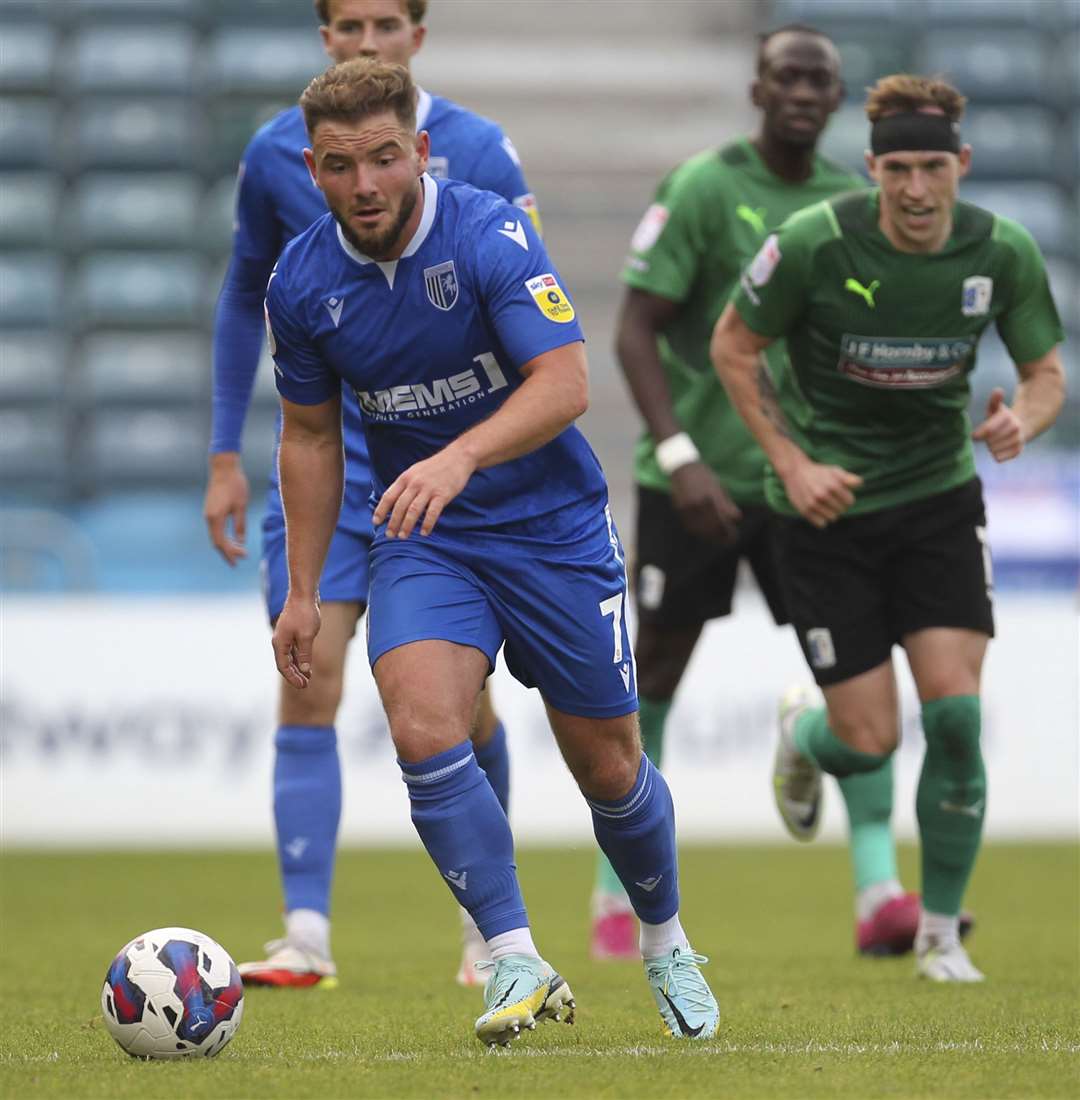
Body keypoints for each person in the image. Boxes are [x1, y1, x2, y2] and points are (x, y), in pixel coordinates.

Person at [267, 56, 721, 1045]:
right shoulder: (300, 281)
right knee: (424, 722)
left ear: (419, 151)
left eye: (385, 158)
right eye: (342, 166)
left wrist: (460, 454)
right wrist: (302, 590)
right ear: (314, 170)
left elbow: (564, 381)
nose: (367, 184)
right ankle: (513, 953)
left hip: (553, 528)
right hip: (430, 540)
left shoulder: (489, 232)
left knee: (608, 765)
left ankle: (664, 935)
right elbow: (307, 436)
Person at [202, 0, 541, 990]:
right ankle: (303, 932)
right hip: (320, 465)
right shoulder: (278, 152)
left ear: (416, 39)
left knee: (462, 705)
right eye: (348, 24)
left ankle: (490, 930)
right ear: (325, 37)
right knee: (306, 667)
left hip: (430, 469)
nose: (366, 40)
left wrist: (489, 462)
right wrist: (226, 450)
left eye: (385, 23)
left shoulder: (478, 148)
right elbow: (241, 293)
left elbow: (530, 307)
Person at [711, 73, 1065, 981]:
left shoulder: (1005, 251)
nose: (915, 189)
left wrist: (1022, 419)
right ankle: (806, 738)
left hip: (938, 504)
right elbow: (732, 345)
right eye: (898, 167)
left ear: (963, 165)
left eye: (933, 167)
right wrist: (790, 463)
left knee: (953, 718)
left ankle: (940, 935)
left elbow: (1044, 373)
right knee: (864, 739)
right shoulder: (813, 243)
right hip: (821, 514)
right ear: (871, 166)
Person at [601, 24, 937, 961]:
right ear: (757, 89)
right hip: (697, 478)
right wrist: (677, 454)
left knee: (861, 670)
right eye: (785, 76)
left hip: (812, 485)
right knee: (653, 673)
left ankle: (879, 892)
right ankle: (620, 894)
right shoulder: (705, 189)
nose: (800, 91)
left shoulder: (853, 203)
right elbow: (635, 330)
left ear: (836, 100)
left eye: (818, 81)